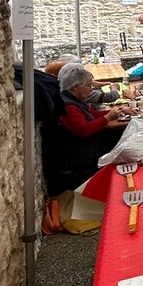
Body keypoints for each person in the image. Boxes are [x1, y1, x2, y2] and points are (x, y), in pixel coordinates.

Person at [49, 63, 130, 193]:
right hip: (78, 157)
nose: (90, 89)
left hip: (87, 150)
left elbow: (94, 114)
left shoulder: (75, 100)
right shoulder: (68, 106)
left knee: (122, 147)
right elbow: (84, 130)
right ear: (75, 87)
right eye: (88, 86)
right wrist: (107, 118)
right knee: (123, 154)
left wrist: (120, 111)